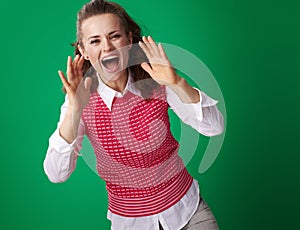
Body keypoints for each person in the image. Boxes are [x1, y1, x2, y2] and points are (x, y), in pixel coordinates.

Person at [43, 0, 224, 229]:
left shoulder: (156, 80)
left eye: (114, 36)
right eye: (95, 41)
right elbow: (56, 173)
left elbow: (214, 127)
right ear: (84, 51)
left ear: (129, 40)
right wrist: (75, 109)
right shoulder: (80, 100)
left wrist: (177, 83)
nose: (107, 47)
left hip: (187, 210)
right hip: (132, 223)